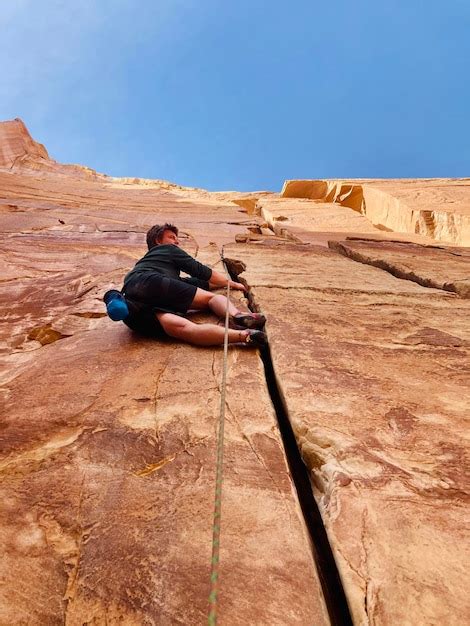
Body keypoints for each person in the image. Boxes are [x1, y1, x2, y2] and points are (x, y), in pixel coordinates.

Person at [105, 223, 267, 347]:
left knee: (186, 329)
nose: (176, 241)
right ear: (158, 241)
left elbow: (199, 283)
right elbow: (200, 271)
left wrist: (208, 284)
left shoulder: (149, 265)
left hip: (135, 309)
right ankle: (237, 317)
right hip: (153, 283)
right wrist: (230, 283)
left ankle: (246, 336)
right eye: (171, 237)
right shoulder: (167, 250)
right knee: (212, 299)